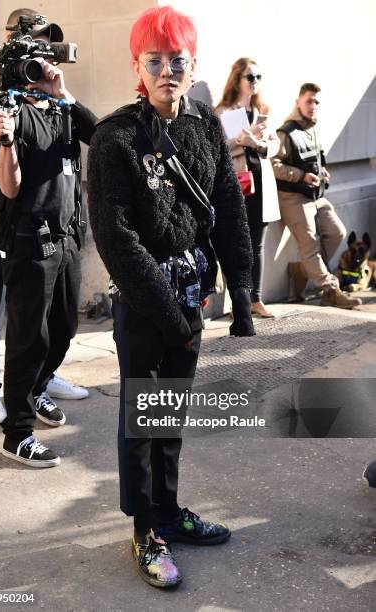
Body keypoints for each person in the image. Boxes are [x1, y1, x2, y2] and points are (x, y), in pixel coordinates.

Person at [88, 5, 254, 589]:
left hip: (192, 299)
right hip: (143, 303)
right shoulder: (115, 138)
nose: (165, 71)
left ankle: (169, 512)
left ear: (192, 65)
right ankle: (143, 530)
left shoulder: (205, 124)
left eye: (176, 61)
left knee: (171, 415)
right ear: (137, 64)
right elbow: (116, 237)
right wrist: (170, 313)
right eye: (153, 60)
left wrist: (240, 289)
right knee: (141, 418)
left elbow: (228, 209)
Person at [0, 10, 97, 466]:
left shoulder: (61, 110)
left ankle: (33, 391)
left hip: (68, 238)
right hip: (31, 241)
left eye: (47, 49)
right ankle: (17, 433)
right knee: (29, 339)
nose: (42, 58)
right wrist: (7, 142)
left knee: (65, 331)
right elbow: (9, 187)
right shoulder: (11, 113)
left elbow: (103, 137)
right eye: (33, 48)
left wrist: (63, 95)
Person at [271, 83, 361, 309]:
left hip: (316, 195)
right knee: (310, 243)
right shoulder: (286, 132)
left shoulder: (313, 129)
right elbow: (274, 165)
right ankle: (330, 290)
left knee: (337, 232)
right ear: (298, 102)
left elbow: (317, 159)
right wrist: (301, 176)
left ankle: (300, 271)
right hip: (292, 197)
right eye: (309, 101)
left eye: (316, 102)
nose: (313, 106)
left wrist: (323, 172)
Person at [216, 57, 281, 318]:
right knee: (235, 244)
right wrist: (242, 141)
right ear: (237, 80)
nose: (255, 82)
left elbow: (278, 146)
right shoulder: (224, 111)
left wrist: (259, 143)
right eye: (250, 77)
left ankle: (256, 299)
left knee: (257, 244)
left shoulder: (263, 110)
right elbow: (217, 149)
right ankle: (238, 302)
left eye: (258, 78)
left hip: (262, 185)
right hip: (238, 184)